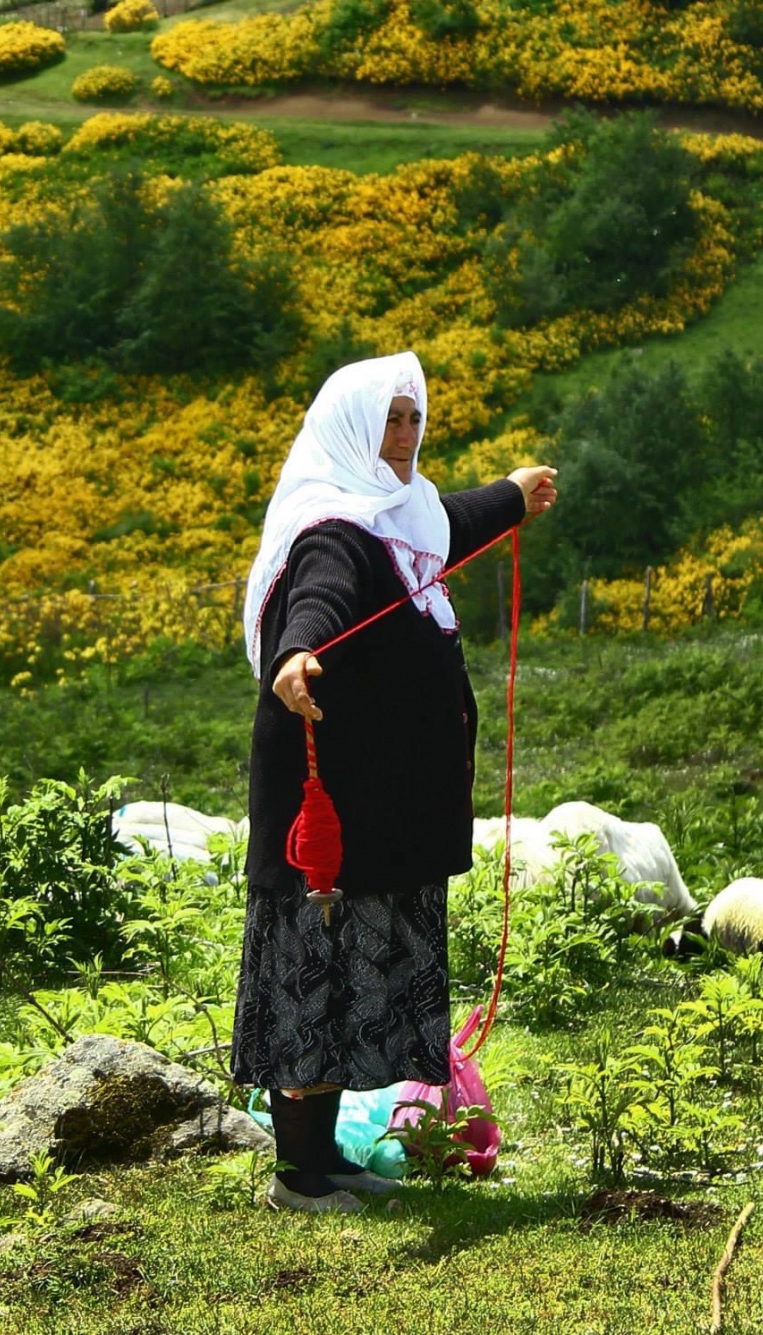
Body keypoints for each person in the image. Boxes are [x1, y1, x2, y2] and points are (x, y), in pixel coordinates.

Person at [233, 350, 557, 1213]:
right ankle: (297, 1178)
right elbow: (320, 596)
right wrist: (297, 657)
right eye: (390, 420)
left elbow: (449, 518)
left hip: (382, 814)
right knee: (315, 982)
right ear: (352, 430)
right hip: (335, 820)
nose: (407, 436)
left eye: (414, 418)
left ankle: (325, 1166)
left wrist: (515, 495)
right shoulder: (335, 527)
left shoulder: (400, 513)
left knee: (343, 988)